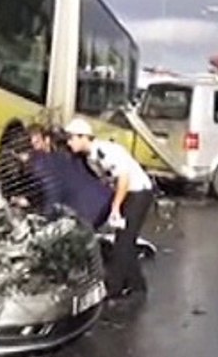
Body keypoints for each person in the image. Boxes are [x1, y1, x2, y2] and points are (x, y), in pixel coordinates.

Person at [64, 117, 155, 298]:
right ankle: (137, 285)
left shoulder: (105, 151)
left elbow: (124, 179)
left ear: (84, 137)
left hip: (138, 193)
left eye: (72, 138)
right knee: (124, 241)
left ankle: (113, 288)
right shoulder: (88, 158)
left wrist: (115, 207)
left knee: (124, 242)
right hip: (124, 194)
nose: (69, 142)